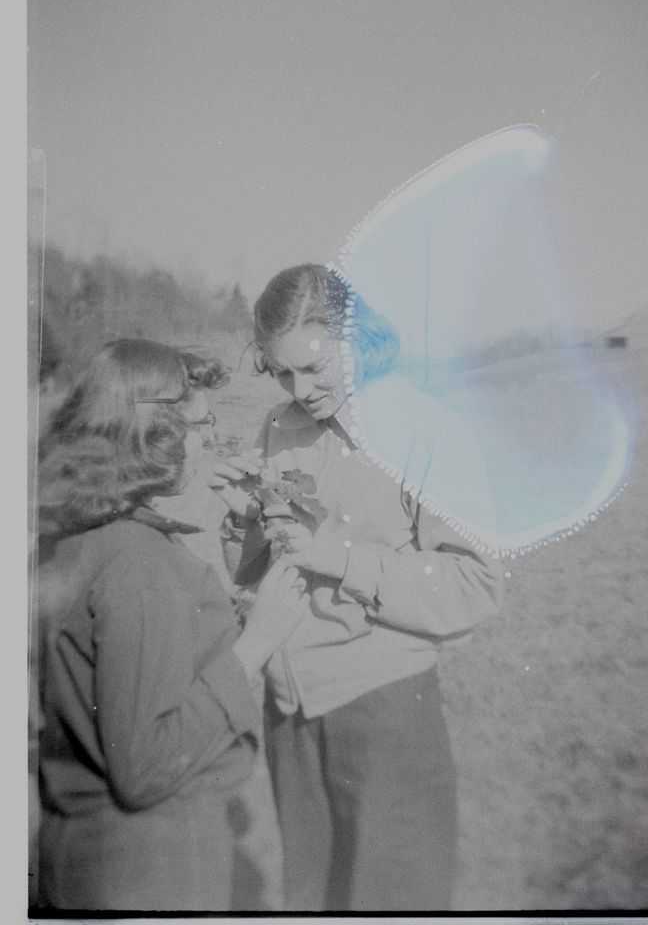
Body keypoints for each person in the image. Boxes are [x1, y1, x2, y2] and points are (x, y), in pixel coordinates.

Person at [212, 264, 503, 912]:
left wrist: (341, 559)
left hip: (385, 713)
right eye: (282, 373)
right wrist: (242, 520)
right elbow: (255, 572)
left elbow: (475, 584)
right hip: (290, 713)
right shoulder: (279, 427)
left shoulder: (429, 434)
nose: (300, 389)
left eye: (316, 369)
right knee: (314, 901)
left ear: (359, 341)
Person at [33, 339, 309, 912]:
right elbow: (147, 766)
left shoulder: (76, 540)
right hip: (149, 866)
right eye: (200, 424)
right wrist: (255, 644)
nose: (210, 440)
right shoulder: (140, 563)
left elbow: (135, 659)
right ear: (153, 435)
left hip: (86, 856)